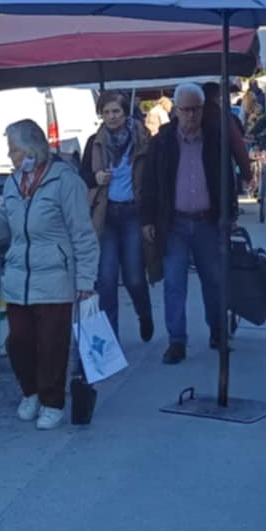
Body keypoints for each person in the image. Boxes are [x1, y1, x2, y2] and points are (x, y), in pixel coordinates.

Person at [0, 120, 97, 429]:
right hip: (19, 277)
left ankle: (52, 401)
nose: (11, 157)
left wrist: (86, 280)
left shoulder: (65, 182)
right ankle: (30, 391)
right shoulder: (13, 182)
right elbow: (2, 225)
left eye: (15, 151)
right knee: (18, 342)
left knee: (52, 344)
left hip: (55, 276)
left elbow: (83, 234)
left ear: (33, 149)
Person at [144, 82, 247, 365]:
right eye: (185, 110)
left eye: (196, 110)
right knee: (174, 283)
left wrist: (229, 214)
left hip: (207, 222)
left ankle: (218, 331)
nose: (190, 116)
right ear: (175, 110)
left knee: (213, 281)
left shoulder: (215, 140)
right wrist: (148, 219)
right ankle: (177, 341)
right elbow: (149, 183)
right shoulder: (162, 142)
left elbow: (227, 179)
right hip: (174, 223)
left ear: (203, 110)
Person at [86, 90, 154, 343]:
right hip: (106, 216)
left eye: (116, 111)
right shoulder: (95, 142)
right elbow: (83, 176)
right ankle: (110, 340)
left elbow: (151, 178)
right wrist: (96, 178)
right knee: (106, 281)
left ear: (126, 113)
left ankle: (144, 313)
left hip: (132, 215)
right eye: (106, 112)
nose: (111, 117)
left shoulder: (142, 139)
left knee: (135, 278)